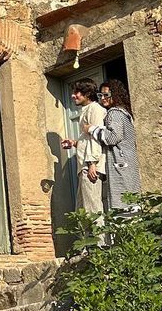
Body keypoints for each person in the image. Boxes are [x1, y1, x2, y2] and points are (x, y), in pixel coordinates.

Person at [85, 79, 140, 211]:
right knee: (132, 203)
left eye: (106, 95)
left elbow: (112, 137)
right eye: (100, 95)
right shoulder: (125, 113)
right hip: (128, 164)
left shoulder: (114, 113)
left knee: (121, 205)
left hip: (120, 164)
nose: (103, 98)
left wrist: (92, 129)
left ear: (115, 94)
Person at [60, 78, 106, 219]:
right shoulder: (87, 110)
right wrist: (74, 143)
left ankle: (100, 235)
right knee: (83, 212)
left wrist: (92, 163)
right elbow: (87, 140)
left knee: (93, 210)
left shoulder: (95, 109)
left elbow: (96, 137)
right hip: (85, 166)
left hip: (90, 166)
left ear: (87, 93)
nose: (73, 95)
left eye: (77, 92)